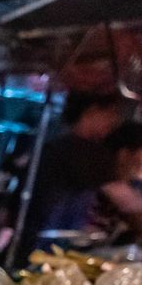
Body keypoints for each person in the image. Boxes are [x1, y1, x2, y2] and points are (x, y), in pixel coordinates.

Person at [15, 93, 128, 254]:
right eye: (112, 113)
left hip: (31, 241)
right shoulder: (85, 151)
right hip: (49, 247)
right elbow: (127, 201)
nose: (115, 121)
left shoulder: (57, 141)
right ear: (93, 111)